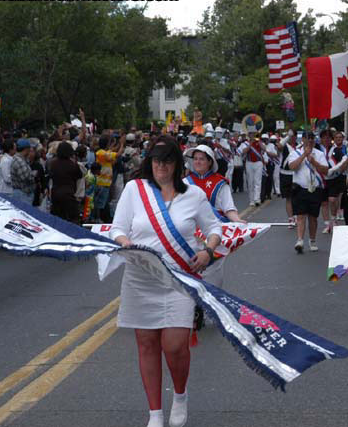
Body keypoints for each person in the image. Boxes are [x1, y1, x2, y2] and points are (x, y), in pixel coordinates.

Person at [111, 135, 221, 427]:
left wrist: (208, 252)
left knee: (174, 346)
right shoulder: (135, 190)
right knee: (146, 344)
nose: (161, 166)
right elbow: (117, 228)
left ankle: (181, 395)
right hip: (140, 277)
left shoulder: (194, 195)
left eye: (167, 160)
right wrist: (127, 244)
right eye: (156, 160)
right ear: (150, 162)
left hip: (178, 279)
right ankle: (155, 414)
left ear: (176, 164)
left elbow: (213, 228)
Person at [183, 144, 245, 288]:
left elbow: (228, 208)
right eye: (195, 159)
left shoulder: (220, 183)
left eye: (202, 159)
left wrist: (238, 220)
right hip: (191, 235)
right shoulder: (185, 183)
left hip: (214, 235)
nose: (197, 162)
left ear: (210, 162)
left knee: (213, 279)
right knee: (191, 275)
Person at [287, 131, 329, 253]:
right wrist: (303, 156)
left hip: (315, 189)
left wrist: (314, 162)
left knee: (313, 217)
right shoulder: (295, 153)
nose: (310, 140)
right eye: (307, 138)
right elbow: (292, 167)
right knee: (300, 215)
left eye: (312, 138)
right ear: (303, 139)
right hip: (300, 188)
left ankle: (312, 240)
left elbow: (325, 170)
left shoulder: (319, 154)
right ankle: (300, 240)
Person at [48, 142, 83, 223]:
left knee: (57, 219)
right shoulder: (73, 165)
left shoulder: (53, 163)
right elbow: (79, 175)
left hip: (55, 193)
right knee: (72, 219)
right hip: (69, 194)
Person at [238, 132, 265, 207]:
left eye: (253, 134)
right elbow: (243, 152)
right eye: (251, 134)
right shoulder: (245, 143)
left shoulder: (259, 142)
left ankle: (257, 199)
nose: (252, 135)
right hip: (249, 163)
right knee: (250, 182)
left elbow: (264, 149)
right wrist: (250, 144)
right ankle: (251, 200)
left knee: (258, 181)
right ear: (249, 135)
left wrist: (258, 142)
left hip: (258, 163)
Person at [10, 138, 35, 204]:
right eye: (29, 148)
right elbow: (26, 178)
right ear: (26, 149)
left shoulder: (22, 159)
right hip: (22, 194)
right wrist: (34, 174)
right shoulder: (19, 161)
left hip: (22, 193)